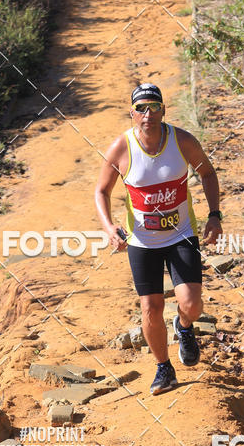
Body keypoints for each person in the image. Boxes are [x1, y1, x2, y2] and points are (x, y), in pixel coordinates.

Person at [95, 83, 223, 395]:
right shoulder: (121, 148)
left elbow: (207, 173)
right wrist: (110, 227)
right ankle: (164, 368)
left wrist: (214, 215)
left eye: (154, 106)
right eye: (141, 108)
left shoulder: (182, 141)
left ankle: (184, 327)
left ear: (164, 110)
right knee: (150, 307)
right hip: (142, 241)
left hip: (181, 234)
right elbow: (101, 191)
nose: (148, 113)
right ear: (132, 113)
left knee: (191, 304)